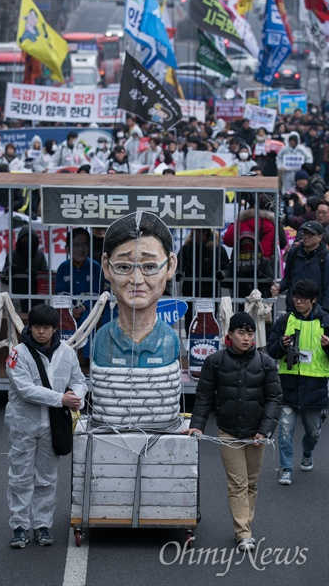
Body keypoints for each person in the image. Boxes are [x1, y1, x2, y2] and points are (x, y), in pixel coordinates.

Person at [182, 312, 282, 552]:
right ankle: (244, 533)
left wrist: (265, 430)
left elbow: (274, 398)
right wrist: (196, 424)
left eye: (250, 333)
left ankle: (245, 525)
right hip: (228, 432)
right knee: (237, 483)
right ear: (230, 334)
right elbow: (204, 397)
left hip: (257, 434)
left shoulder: (266, 363)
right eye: (241, 333)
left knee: (251, 483)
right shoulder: (215, 361)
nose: (246, 338)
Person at [5, 304, 87, 548]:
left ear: (54, 329)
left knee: (47, 478)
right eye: (37, 327)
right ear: (30, 327)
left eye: (47, 327)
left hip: (52, 424)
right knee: (19, 477)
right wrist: (61, 398)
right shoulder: (17, 353)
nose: (41, 332)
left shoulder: (68, 353)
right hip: (23, 424)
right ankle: (19, 526)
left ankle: (42, 525)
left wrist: (77, 396)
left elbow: (79, 380)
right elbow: (25, 389)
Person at [92, 212, 180, 426]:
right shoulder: (101, 339)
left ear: (170, 266)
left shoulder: (170, 340)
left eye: (150, 267)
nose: (137, 280)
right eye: (124, 267)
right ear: (106, 266)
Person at [267, 279, 329, 486]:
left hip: (315, 387)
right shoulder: (284, 321)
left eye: (302, 298)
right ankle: (286, 468)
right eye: (295, 297)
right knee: (285, 429)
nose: (297, 301)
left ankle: (308, 452)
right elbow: (271, 351)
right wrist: (281, 345)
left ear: (313, 300)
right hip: (289, 384)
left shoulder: (326, 322)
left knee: (314, 431)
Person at [55, 228, 104, 365]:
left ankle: (88, 359)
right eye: (76, 245)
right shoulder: (63, 268)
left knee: (89, 317)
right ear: (67, 248)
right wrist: (70, 308)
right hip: (67, 309)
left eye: (85, 245)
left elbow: (97, 294)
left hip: (90, 309)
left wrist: (82, 307)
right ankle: (62, 358)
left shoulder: (95, 267)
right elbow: (60, 293)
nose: (81, 249)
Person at [271, 221, 329, 312]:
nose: (306, 237)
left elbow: (327, 288)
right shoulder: (294, 253)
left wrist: (325, 313)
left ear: (320, 237)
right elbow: (287, 278)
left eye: (310, 235)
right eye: (304, 234)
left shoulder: (325, 257)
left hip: (315, 311)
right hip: (293, 308)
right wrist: (279, 286)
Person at [2, 226, 48, 313]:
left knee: (36, 322)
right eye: (24, 240)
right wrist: (8, 272)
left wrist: (36, 274)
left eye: (30, 240)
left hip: (36, 298)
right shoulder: (12, 256)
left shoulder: (39, 255)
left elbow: (45, 276)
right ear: (19, 241)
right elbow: (4, 278)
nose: (27, 243)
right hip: (16, 297)